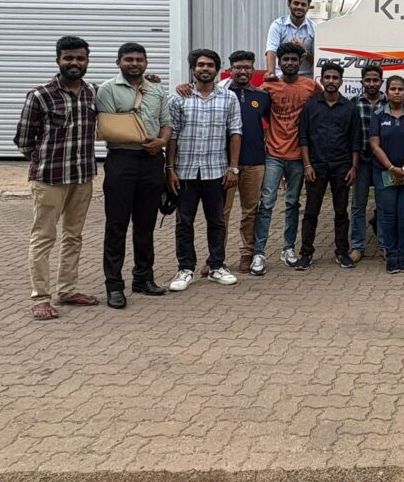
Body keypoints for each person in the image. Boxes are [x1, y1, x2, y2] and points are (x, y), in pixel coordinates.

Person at [14, 36, 100, 320]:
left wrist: (149, 80)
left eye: (80, 58)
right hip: (49, 178)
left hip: (82, 176)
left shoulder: (93, 93)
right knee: (44, 237)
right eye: (69, 58)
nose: (75, 63)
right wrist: (42, 161)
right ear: (58, 60)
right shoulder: (40, 95)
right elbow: (24, 140)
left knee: (74, 235)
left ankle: (67, 289)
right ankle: (41, 297)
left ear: (87, 61)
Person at [94, 42, 172, 308]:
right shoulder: (107, 89)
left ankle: (143, 277)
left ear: (146, 63)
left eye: (139, 59)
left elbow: (166, 123)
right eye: (129, 59)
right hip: (121, 161)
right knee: (116, 225)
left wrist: (162, 141)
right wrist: (142, 138)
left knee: (145, 224)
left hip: (152, 161)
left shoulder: (156, 89)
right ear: (118, 62)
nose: (134, 64)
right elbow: (109, 127)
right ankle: (114, 285)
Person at [166, 49, 243, 292]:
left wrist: (233, 168)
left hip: (216, 170)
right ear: (193, 69)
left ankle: (216, 266)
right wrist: (170, 168)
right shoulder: (179, 98)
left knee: (217, 221)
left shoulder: (228, 98)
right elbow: (172, 135)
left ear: (217, 70)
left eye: (210, 65)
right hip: (185, 171)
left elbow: (235, 132)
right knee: (184, 222)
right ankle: (185, 268)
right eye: (200, 65)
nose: (205, 69)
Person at [251, 43, 322, 275]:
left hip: (299, 156)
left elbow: (325, 104)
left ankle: (288, 248)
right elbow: (250, 100)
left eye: (294, 59)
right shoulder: (268, 86)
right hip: (273, 154)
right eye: (286, 59)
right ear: (279, 62)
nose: (290, 63)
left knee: (292, 203)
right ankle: (259, 252)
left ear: (300, 62)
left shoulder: (311, 86)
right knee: (267, 203)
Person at [298, 62, 362, 270]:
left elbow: (355, 140)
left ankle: (342, 252)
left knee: (341, 212)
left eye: (335, 77)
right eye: (327, 77)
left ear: (341, 81)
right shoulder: (310, 106)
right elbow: (303, 137)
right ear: (322, 80)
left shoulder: (350, 108)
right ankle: (306, 253)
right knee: (311, 211)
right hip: (316, 166)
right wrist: (307, 165)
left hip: (342, 166)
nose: (331, 81)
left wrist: (353, 167)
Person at [219, 50, 270, 274]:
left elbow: (272, 124)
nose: (243, 71)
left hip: (255, 161)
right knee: (222, 212)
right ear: (230, 70)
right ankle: (216, 257)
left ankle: (247, 254)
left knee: (250, 211)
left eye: (247, 67)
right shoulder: (220, 94)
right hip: (224, 163)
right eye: (238, 67)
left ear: (253, 70)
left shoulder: (262, 96)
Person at [369, 75, 404, 274]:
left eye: (400, 89)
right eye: (393, 89)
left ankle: (403, 255)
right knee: (388, 215)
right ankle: (391, 255)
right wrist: (393, 169)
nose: (397, 92)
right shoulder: (378, 115)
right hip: (384, 172)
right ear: (387, 92)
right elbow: (375, 145)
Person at [350, 65, 384, 262]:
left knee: (384, 205)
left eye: (375, 80)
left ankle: (384, 245)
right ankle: (358, 246)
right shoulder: (354, 103)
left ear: (381, 82)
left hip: (383, 163)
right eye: (368, 80)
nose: (372, 83)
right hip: (361, 161)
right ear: (362, 82)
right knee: (358, 205)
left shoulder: (389, 103)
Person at [264, 0, 316, 79]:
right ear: (289, 4)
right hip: (281, 77)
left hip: (306, 78)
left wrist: (304, 51)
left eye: (303, 4)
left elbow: (317, 61)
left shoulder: (314, 28)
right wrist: (271, 74)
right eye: (296, 3)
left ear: (308, 7)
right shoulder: (277, 25)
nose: (299, 7)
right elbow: (271, 52)